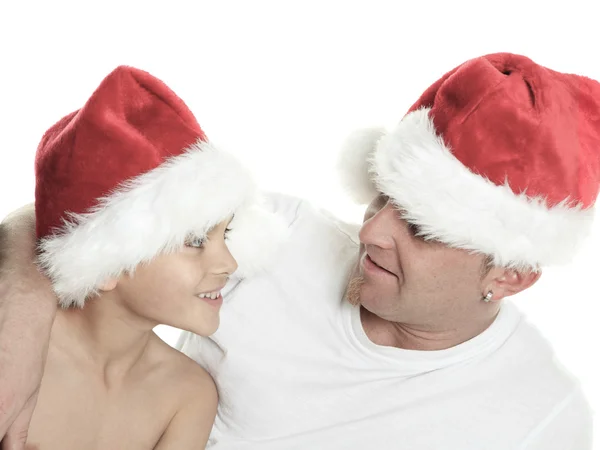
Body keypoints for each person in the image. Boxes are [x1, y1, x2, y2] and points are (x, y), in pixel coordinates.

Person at [0, 52, 598, 449]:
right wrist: (18, 328)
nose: (370, 233)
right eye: (379, 197)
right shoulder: (275, 236)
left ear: (512, 276)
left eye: (418, 224)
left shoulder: (542, 421)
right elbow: (91, 212)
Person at [1, 65, 283, 449]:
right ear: (106, 262)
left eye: (227, 234)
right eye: (196, 240)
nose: (229, 264)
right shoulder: (14, 363)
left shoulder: (187, 396)